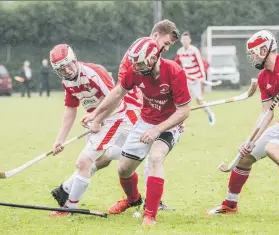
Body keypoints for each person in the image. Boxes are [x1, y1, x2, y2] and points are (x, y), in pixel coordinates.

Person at [205, 30, 279, 220]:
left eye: (254, 52)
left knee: (272, 147)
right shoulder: (263, 77)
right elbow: (267, 112)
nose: (252, 57)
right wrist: (250, 141)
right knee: (245, 158)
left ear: (265, 49)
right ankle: (230, 204)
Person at [80, 37, 191, 226]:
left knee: (155, 158)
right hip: (145, 120)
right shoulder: (135, 71)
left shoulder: (174, 72)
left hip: (169, 123)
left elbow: (184, 111)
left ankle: (150, 216)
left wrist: (157, 130)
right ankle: (133, 200)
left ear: (153, 58)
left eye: (140, 63)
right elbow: (117, 93)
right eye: (135, 63)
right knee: (123, 170)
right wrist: (96, 114)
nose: (136, 67)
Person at [47, 44, 138, 217]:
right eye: (61, 69)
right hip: (100, 120)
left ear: (75, 59)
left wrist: (98, 119)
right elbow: (70, 109)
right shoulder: (67, 81)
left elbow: (116, 100)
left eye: (69, 65)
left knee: (84, 162)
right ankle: (67, 194)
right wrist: (60, 139)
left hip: (116, 117)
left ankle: (67, 209)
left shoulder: (93, 73)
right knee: (101, 159)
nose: (66, 70)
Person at [117, 19, 180, 211]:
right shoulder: (141, 52)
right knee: (132, 158)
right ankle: (135, 199)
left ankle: (152, 204)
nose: (167, 48)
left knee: (155, 155)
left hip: (148, 109)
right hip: (135, 108)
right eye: (166, 43)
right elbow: (124, 85)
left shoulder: (157, 59)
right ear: (155, 36)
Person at [174, 31, 216, 126]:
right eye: (183, 40)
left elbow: (201, 64)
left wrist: (203, 77)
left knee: (199, 100)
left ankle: (210, 114)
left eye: (187, 40)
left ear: (190, 40)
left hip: (196, 80)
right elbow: (175, 65)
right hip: (186, 80)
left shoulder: (194, 50)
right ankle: (179, 123)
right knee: (181, 101)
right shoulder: (180, 52)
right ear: (181, 41)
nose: (185, 41)